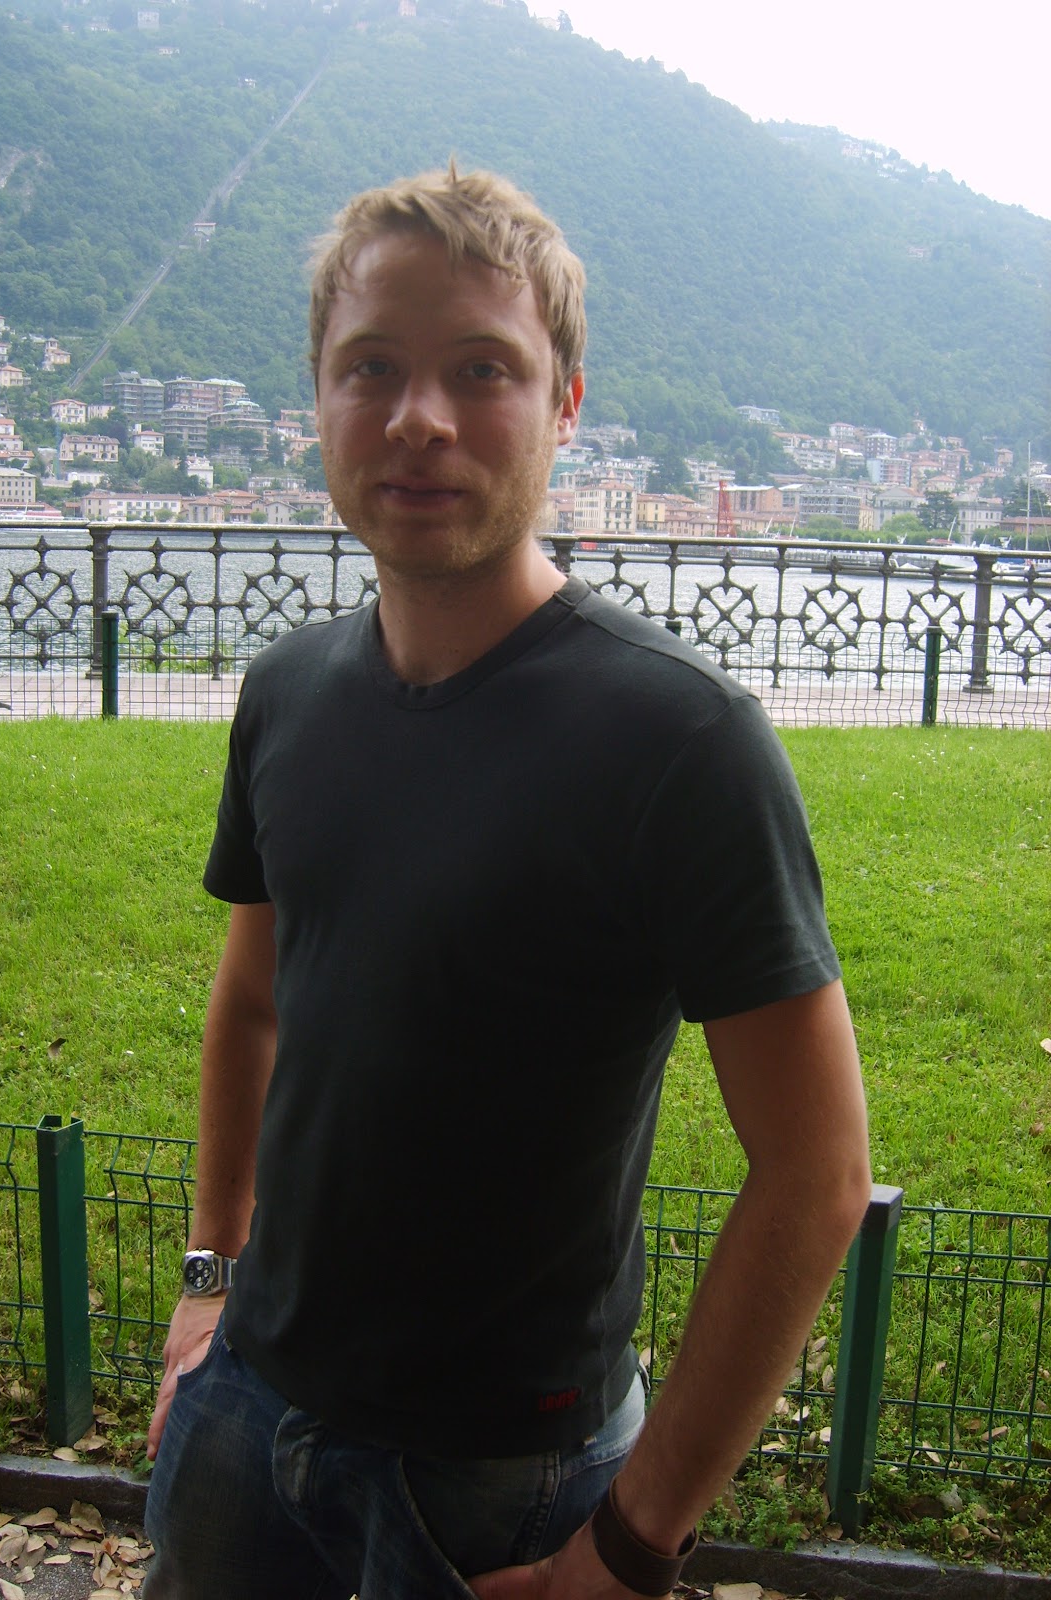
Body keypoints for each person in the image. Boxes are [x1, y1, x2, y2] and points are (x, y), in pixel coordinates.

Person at [143, 164, 871, 1600]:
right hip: (245, 1413)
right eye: (372, 367)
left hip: (502, 1482)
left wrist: (629, 1549)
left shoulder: (678, 739)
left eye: (482, 369)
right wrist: (208, 1282)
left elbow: (819, 1173)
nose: (417, 417)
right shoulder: (287, 694)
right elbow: (253, 1006)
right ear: (319, 399)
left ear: (565, 405)